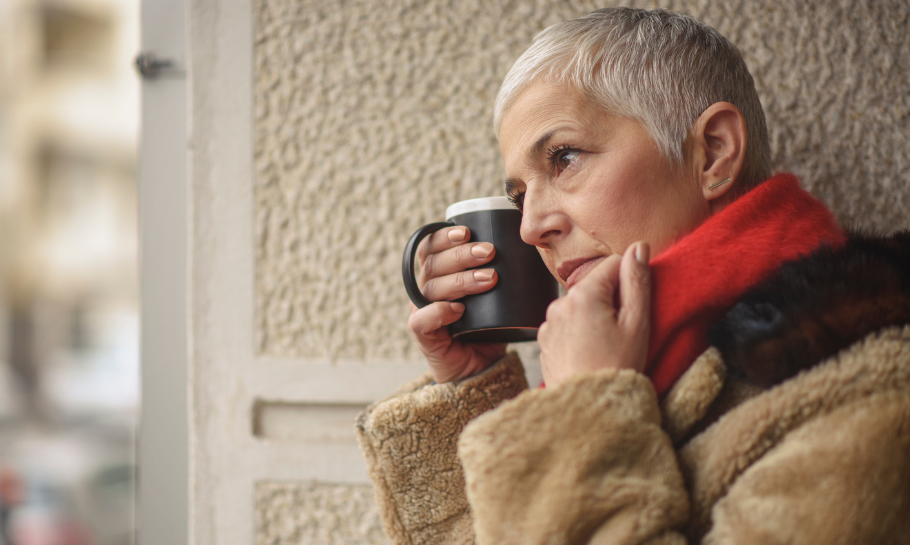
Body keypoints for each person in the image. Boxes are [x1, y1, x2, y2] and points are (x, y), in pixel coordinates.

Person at [356, 8, 910, 545]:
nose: (528, 228)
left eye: (564, 157)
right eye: (518, 195)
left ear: (714, 153)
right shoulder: (631, 363)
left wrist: (583, 411)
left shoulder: (871, 388)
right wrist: (470, 386)